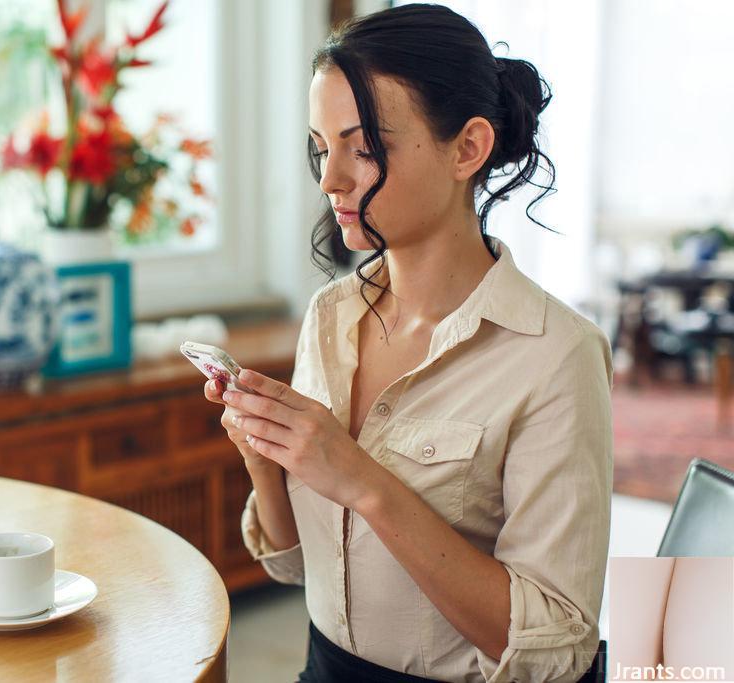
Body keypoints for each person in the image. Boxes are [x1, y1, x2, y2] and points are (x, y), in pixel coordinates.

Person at [202, 4, 612, 682]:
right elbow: (301, 564)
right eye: (320, 146)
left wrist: (363, 481)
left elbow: (556, 648)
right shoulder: (331, 316)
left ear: (469, 148)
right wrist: (262, 455)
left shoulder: (557, 356)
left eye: (362, 148)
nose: (330, 179)